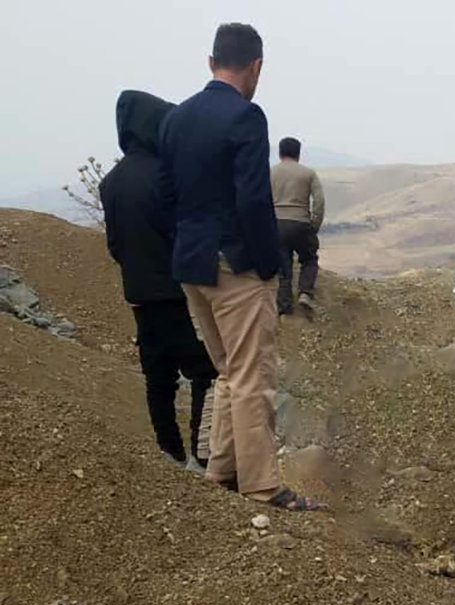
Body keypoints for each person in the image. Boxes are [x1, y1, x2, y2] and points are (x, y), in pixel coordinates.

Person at [159, 23, 323, 511]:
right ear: (256, 67)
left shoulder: (174, 119)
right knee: (253, 376)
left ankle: (221, 471)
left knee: (229, 371)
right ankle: (263, 485)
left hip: (191, 264)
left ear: (211, 63)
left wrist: (189, 244)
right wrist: (267, 264)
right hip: (235, 265)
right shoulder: (246, 117)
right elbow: (254, 200)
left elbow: (165, 196)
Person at [100, 90, 217, 472]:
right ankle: (201, 458)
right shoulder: (165, 176)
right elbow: (182, 234)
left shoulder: (111, 182)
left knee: (158, 376)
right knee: (206, 371)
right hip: (174, 292)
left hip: (138, 295)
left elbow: (114, 245)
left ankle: (169, 453)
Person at [270, 136, 325, 315]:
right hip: (301, 223)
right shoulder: (308, 173)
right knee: (309, 259)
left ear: (279, 153)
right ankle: (305, 293)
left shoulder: (270, 172)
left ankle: (284, 308)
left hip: (277, 224)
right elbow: (319, 201)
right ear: (299, 154)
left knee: (283, 266)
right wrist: (314, 225)